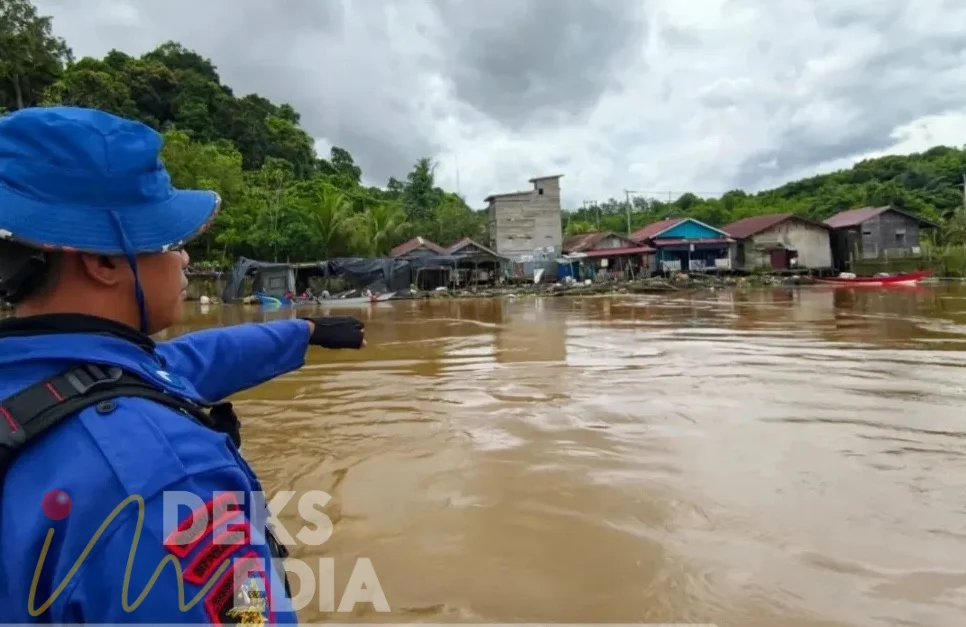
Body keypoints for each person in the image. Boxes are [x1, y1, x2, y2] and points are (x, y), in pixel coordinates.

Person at [0, 106, 366, 623]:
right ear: (103, 261)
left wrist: (302, 330)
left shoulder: (35, 385)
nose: (185, 259)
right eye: (171, 241)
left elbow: (182, 363)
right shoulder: (168, 479)